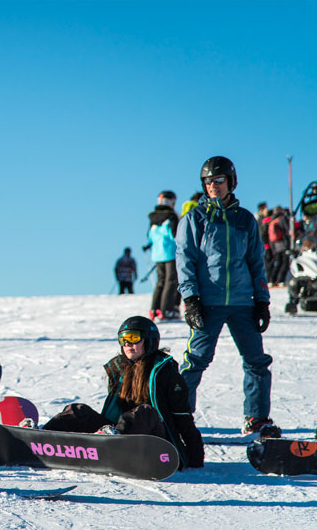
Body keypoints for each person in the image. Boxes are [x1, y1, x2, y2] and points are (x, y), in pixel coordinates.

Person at [176, 156, 277, 435]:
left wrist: (262, 301)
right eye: (208, 182)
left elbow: (256, 263)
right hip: (208, 302)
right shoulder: (195, 218)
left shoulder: (245, 220)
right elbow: (185, 261)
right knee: (195, 361)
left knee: (257, 361)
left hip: (243, 302)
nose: (213, 186)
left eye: (218, 181)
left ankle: (256, 418)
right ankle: (180, 416)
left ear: (230, 182)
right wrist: (191, 299)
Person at [41, 316, 204, 470]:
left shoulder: (167, 373)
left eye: (133, 338)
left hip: (156, 442)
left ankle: (109, 442)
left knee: (144, 412)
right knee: (77, 411)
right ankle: (38, 442)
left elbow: (183, 417)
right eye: (123, 339)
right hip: (118, 435)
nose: (127, 343)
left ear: (149, 340)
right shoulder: (119, 370)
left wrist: (194, 459)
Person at [144, 190, 180, 320]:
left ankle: (154, 309)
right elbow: (175, 235)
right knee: (171, 281)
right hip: (171, 252)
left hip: (157, 254)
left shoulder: (153, 217)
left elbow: (150, 236)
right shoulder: (171, 216)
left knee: (161, 281)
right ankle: (167, 309)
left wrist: (148, 245)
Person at [267, 206, 290, 286]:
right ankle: (280, 280)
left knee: (278, 262)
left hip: (274, 244)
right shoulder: (282, 218)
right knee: (284, 262)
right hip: (282, 243)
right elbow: (287, 230)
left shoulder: (272, 219)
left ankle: (271, 279)